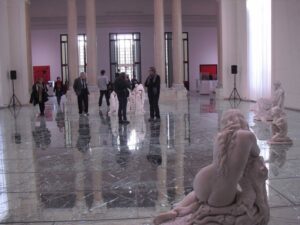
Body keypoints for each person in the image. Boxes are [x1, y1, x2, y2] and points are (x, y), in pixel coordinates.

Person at [153, 109, 266, 225]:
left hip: (202, 179)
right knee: (236, 199)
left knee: (197, 196)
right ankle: (196, 210)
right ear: (243, 121)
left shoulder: (220, 137)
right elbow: (256, 153)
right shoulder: (248, 136)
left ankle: (177, 211)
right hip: (223, 192)